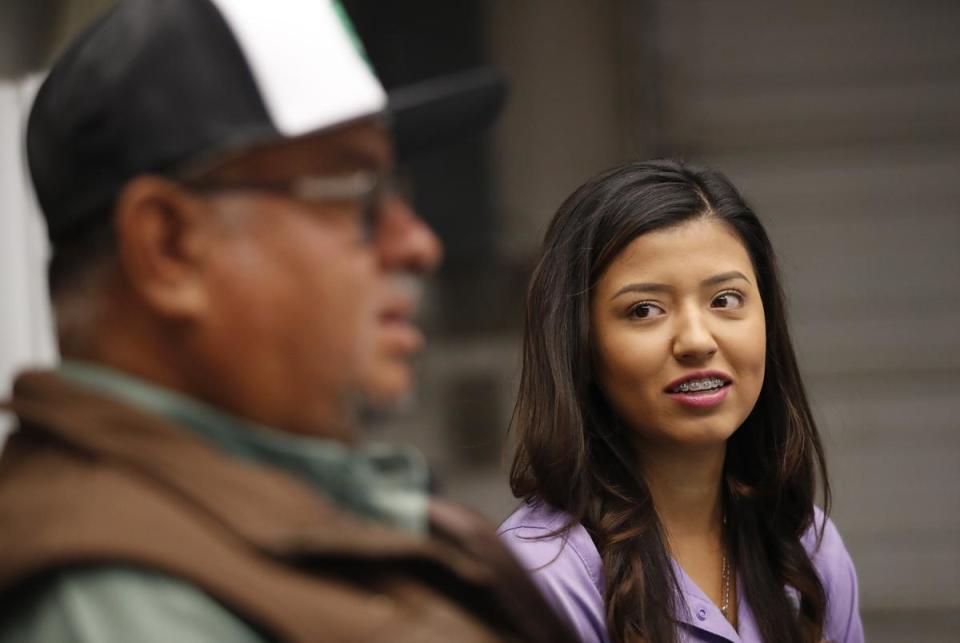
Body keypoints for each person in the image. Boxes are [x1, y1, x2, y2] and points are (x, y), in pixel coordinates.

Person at [0, 1, 578, 641]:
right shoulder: (126, 602)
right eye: (358, 194)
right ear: (168, 247)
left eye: (400, 193)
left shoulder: (288, 515)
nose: (417, 244)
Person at [498, 160, 865, 643]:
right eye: (644, 310)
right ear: (579, 345)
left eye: (726, 299)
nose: (696, 341)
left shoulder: (804, 547)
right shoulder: (543, 577)